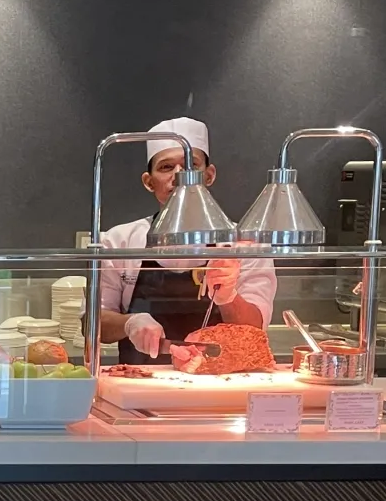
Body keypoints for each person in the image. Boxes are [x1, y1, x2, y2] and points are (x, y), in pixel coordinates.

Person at [98, 117, 276, 364]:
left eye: (191, 165)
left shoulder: (245, 244)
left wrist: (228, 297)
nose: (180, 176)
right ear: (149, 182)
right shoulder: (120, 241)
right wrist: (129, 323)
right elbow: (93, 324)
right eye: (166, 167)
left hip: (222, 381)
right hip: (140, 380)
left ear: (209, 175)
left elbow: (255, 330)